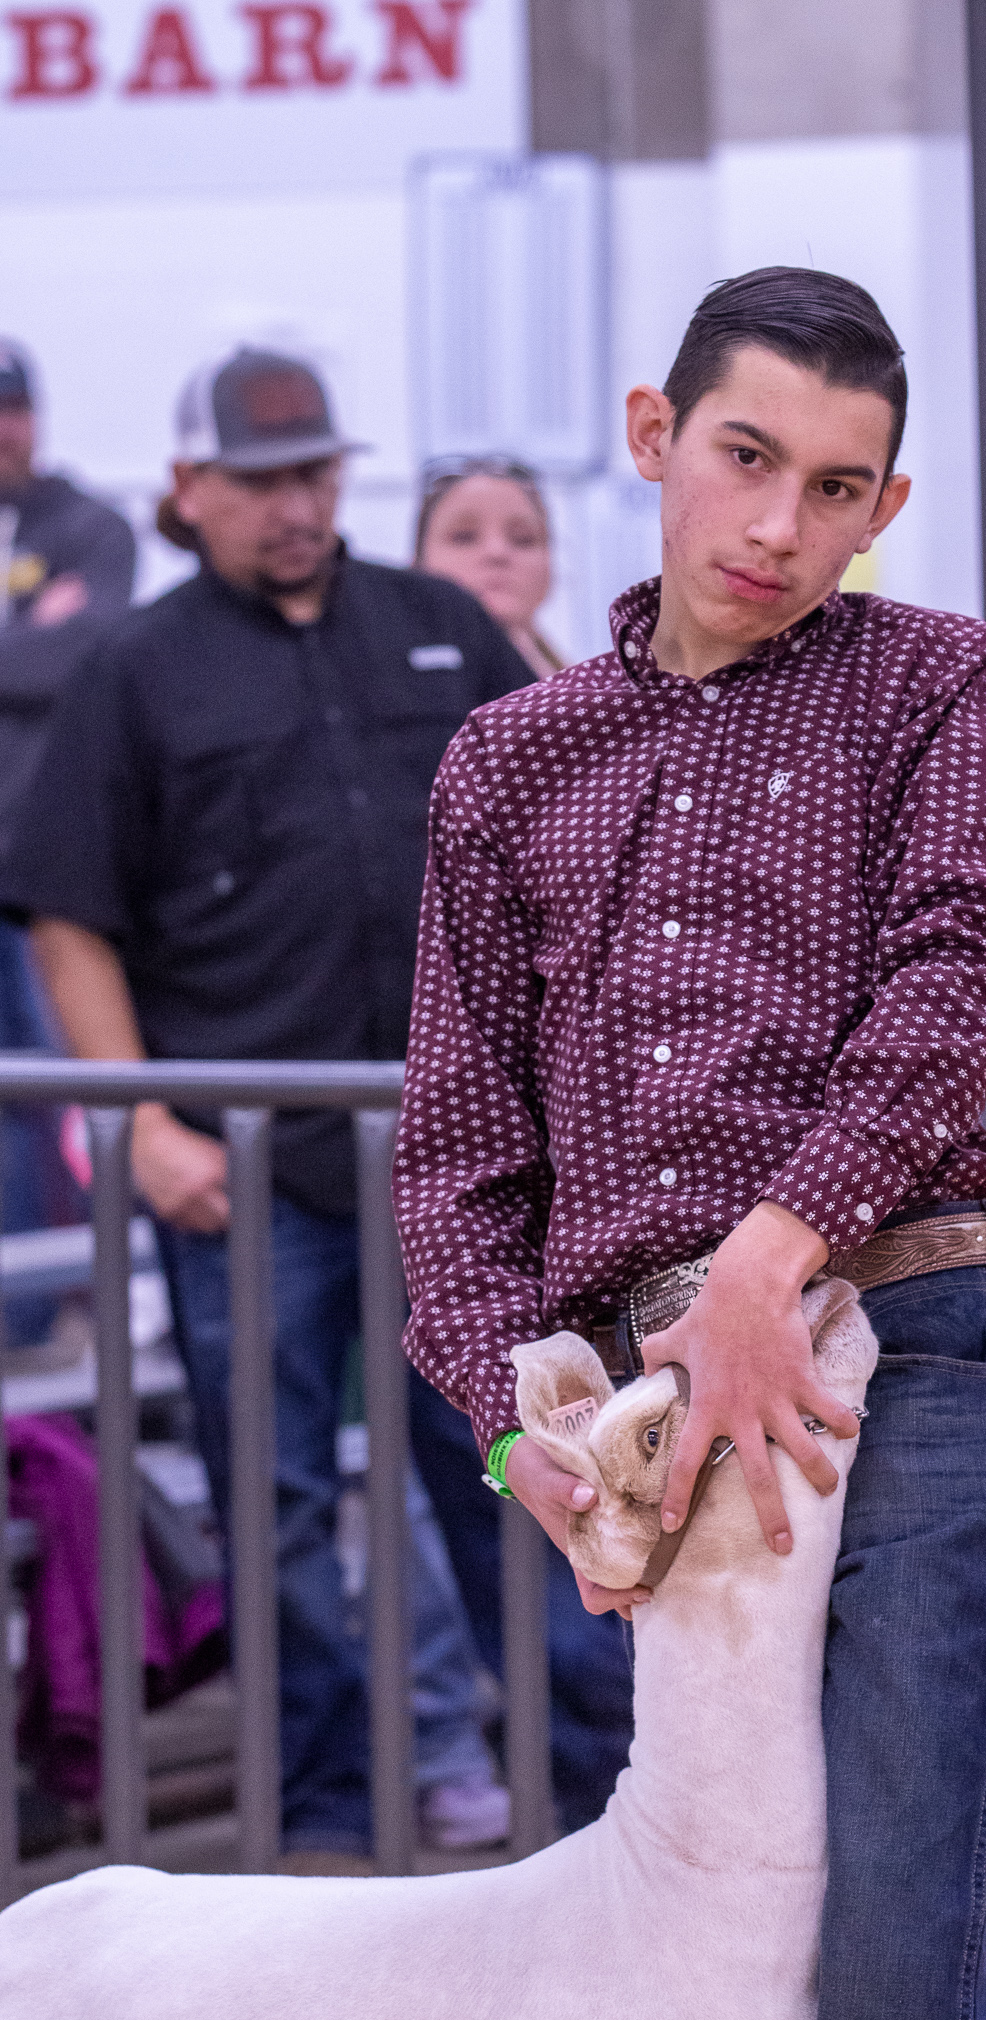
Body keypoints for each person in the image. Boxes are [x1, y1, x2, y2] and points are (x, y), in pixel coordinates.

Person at [393, 268, 986, 2020]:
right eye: (747, 457)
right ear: (654, 435)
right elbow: (461, 1154)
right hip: (658, 1435)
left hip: (908, 1366)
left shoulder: (936, 678)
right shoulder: (509, 758)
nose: (782, 526)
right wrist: (505, 1443)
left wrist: (777, 1256)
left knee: (890, 1962)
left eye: (838, 489)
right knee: (723, 1971)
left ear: (887, 507)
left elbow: (978, 968)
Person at [0, 345, 534, 1857]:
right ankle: (318, 1821)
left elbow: (570, 828)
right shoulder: (133, 669)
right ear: (187, 490)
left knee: (510, 1463)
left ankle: (584, 1789)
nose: (295, 508)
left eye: (313, 475)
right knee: (276, 1504)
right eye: (257, 481)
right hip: (243, 1181)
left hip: (458, 1164)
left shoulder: (438, 628)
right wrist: (144, 1126)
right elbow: (66, 917)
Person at [1, 337, 137, 1339]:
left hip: (43, 883)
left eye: (13, 406)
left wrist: (35, 641)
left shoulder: (88, 526)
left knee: (75, 1100)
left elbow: (73, 654)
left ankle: (79, 1307)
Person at [414, 455, 563, 678]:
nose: (497, 553)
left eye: (523, 539)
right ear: (417, 562)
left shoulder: (601, 693)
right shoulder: (381, 682)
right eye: (464, 537)